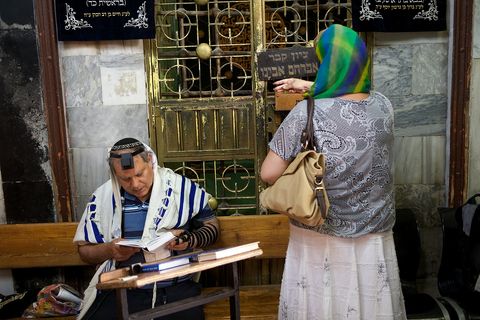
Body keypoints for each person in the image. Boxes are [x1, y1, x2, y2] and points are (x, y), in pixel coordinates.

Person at [261, 24, 407, 319]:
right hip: (374, 234)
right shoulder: (384, 105)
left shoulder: (305, 113)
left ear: (326, 64)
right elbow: (348, 98)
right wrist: (306, 86)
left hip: (321, 235)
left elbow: (269, 173)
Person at [73, 137, 219, 319]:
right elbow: (84, 252)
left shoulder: (179, 188)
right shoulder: (102, 198)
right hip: (123, 290)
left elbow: (212, 228)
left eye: (140, 174)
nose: (135, 184)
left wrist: (189, 240)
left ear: (150, 160)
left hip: (177, 290)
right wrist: (110, 250)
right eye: (125, 179)